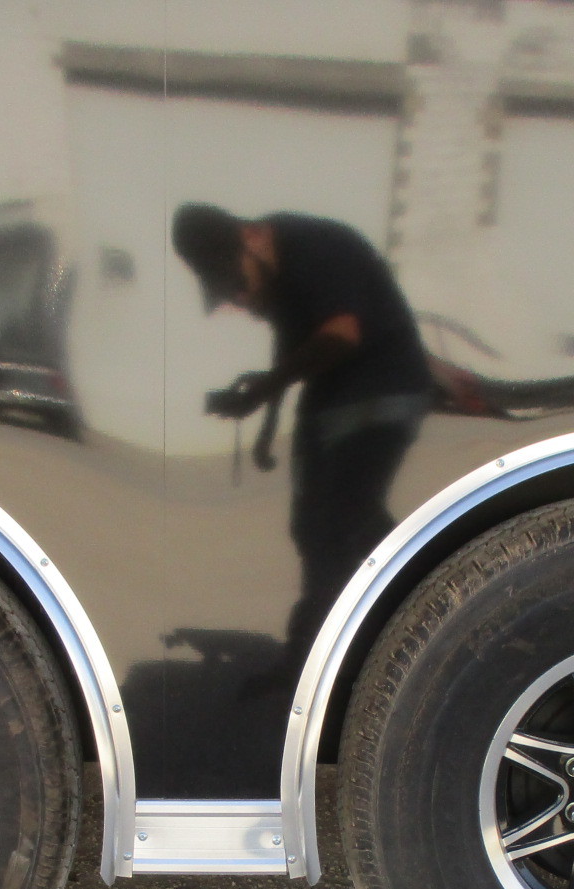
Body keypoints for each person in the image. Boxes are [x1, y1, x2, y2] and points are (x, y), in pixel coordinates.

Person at [172, 203, 431, 655]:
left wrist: (264, 389)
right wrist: (263, 419)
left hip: (379, 391)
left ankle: (412, 615)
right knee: (316, 525)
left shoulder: (313, 247)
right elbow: (290, 354)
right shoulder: (278, 279)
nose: (240, 300)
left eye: (235, 283)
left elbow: (341, 335)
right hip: (334, 400)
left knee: (343, 520)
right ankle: (321, 644)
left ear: (251, 237)